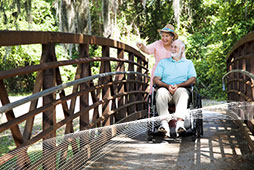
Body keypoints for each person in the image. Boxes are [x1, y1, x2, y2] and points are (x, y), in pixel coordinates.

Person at [153, 39, 197, 137]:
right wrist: (167, 86)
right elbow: (156, 79)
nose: (172, 49)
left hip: (181, 89)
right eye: (171, 47)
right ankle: (164, 125)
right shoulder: (163, 62)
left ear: (182, 49)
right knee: (160, 92)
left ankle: (180, 124)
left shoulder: (188, 63)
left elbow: (193, 79)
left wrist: (178, 85)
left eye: (175, 47)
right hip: (165, 89)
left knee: (182, 92)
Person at [136, 24, 178, 93]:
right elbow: (147, 50)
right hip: (158, 74)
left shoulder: (176, 46)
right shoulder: (157, 44)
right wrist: (142, 46)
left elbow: (182, 61)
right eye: (163, 36)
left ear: (172, 37)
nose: (164, 38)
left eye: (167, 36)